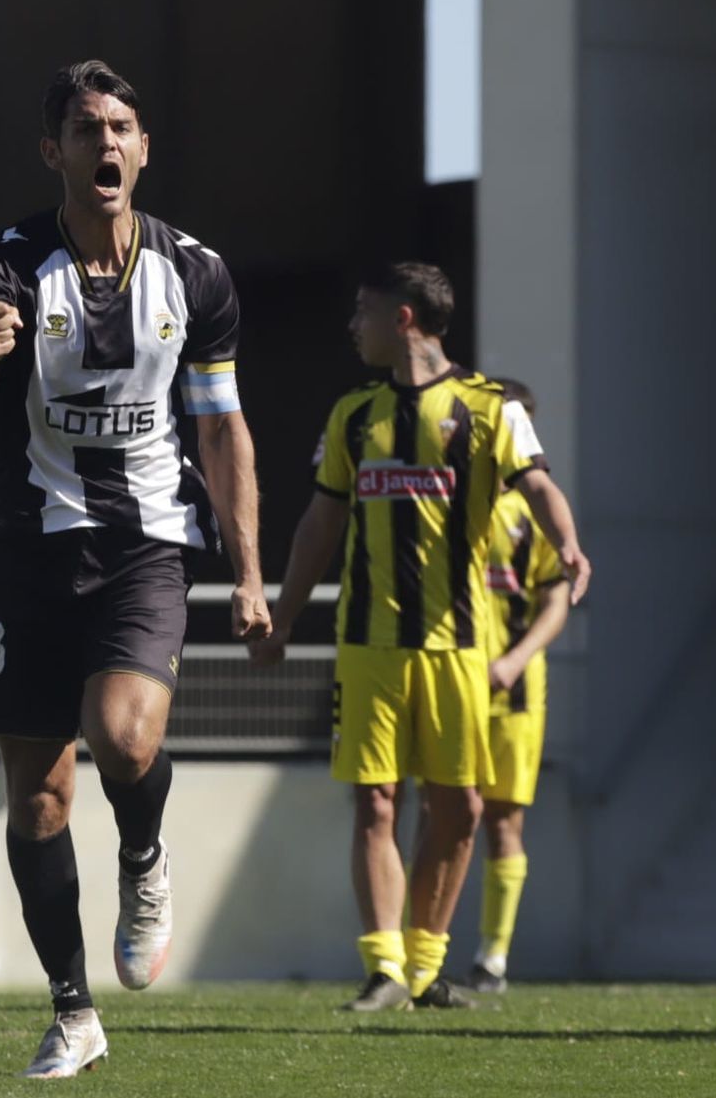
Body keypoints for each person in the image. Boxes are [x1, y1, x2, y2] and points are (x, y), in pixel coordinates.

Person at [0, 60, 270, 1077]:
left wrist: (249, 572)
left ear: (144, 147)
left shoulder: (195, 275)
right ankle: (74, 1011)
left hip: (144, 545)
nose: (107, 145)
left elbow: (220, 428)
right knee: (36, 801)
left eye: (122, 127)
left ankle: (143, 853)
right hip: (30, 548)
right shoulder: (5, 267)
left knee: (123, 739)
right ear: (55, 153)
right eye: (86, 130)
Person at [250, 263, 590, 1012]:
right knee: (376, 804)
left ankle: (429, 963)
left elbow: (538, 483)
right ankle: (384, 967)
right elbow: (320, 524)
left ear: (403, 318)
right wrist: (286, 613)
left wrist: (567, 541)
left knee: (461, 809)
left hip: (457, 647)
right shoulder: (352, 414)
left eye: (363, 312)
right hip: (368, 645)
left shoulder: (489, 407)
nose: (352, 327)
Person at [464, 378, 572, 994]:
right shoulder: (453, 497)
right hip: (448, 680)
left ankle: (493, 959)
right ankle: (421, 956)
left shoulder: (534, 512)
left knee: (504, 820)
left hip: (513, 691)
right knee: (449, 814)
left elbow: (556, 598)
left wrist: (514, 659)